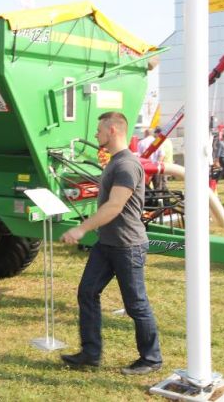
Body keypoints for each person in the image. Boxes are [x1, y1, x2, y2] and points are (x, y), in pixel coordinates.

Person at [60, 111, 162, 375]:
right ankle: (90, 354)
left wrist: (82, 228)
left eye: (99, 130)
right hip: (107, 244)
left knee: (136, 304)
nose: (96, 135)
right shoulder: (115, 162)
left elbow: (115, 206)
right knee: (87, 292)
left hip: (127, 246)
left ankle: (151, 359)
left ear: (113, 130)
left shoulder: (126, 165)